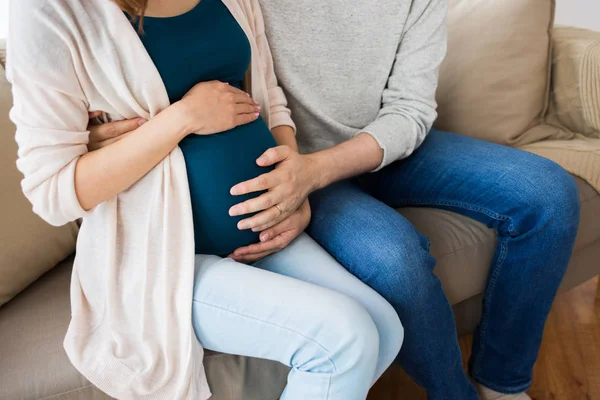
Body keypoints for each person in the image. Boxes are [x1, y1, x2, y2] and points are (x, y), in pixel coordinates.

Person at [74, 0, 581, 399]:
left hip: (376, 148)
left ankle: (503, 380)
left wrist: (316, 172)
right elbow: (180, 62)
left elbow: (410, 109)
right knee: (395, 259)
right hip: (289, 155)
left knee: (550, 195)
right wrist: (101, 128)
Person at [8, 0, 404, 398]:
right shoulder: (49, 11)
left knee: (385, 327)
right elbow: (51, 192)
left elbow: (269, 97)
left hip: (260, 233)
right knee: (344, 338)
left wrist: (293, 180)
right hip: (161, 259)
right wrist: (183, 118)